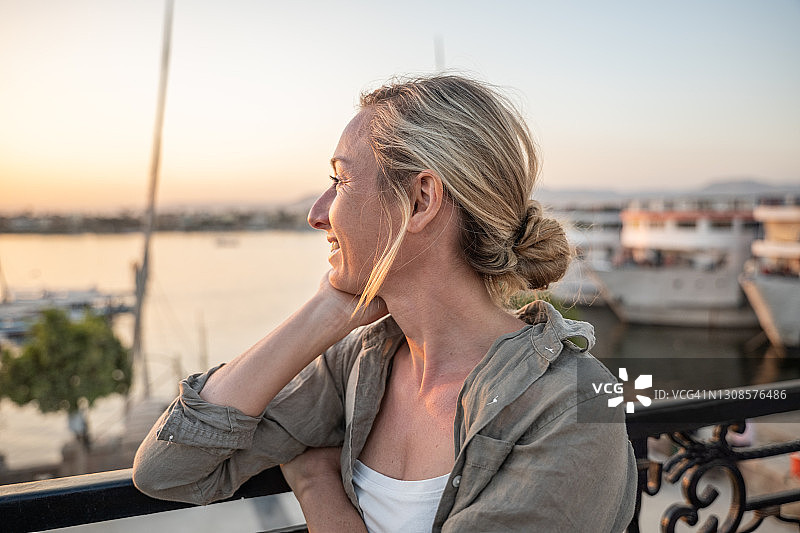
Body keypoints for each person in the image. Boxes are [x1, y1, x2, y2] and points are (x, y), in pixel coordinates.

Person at [133, 74, 637, 532]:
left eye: (341, 180)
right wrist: (323, 314)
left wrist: (315, 485)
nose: (317, 213)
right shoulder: (359, 364)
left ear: (420, 200)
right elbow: (167, 470)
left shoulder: (574, 403)